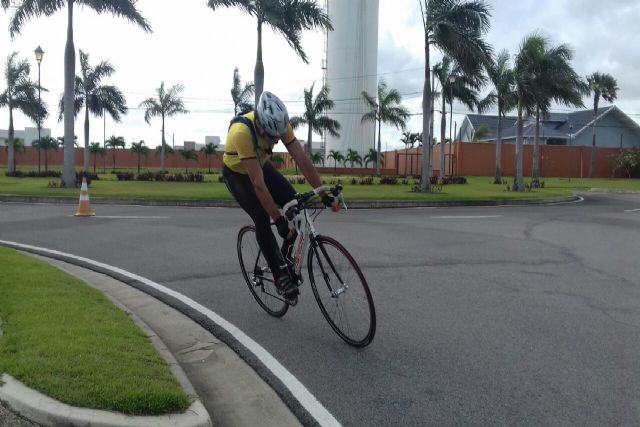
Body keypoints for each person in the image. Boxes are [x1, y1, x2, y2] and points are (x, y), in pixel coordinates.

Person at [222, 91, 339, 300]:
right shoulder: (241, 133)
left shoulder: (280, 125)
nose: (276, 141)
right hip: (237, 174)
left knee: (295, 204)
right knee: (261, 216)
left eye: (279, 136)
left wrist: (323, 193)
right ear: (259, 124)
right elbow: (258, 185)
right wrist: (278, 220)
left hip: (260, 165)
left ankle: (284, 257)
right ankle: (279, 276)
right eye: (271, 137)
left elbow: (303, 161)